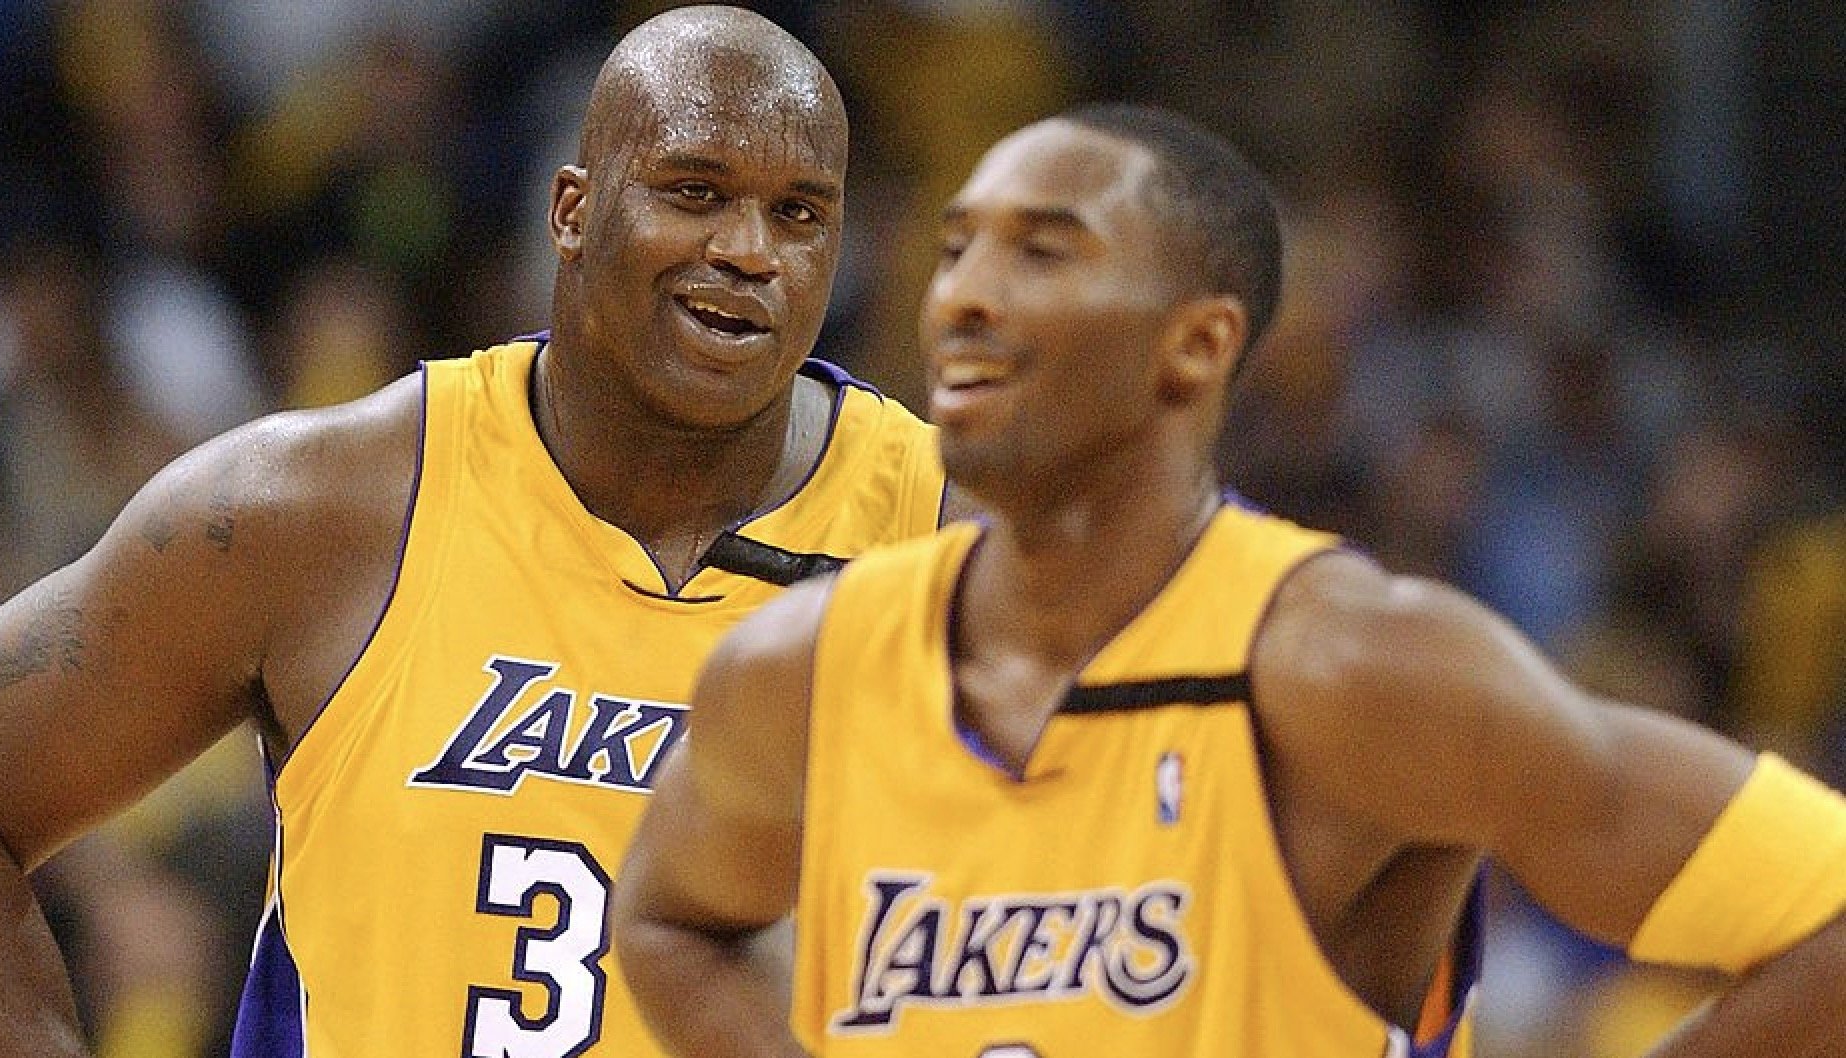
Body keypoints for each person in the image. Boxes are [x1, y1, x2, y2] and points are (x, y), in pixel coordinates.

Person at [0, 7, 957, 1058]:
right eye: (695, 191)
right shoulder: (316, 509)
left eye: (799, 212)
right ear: (571, 210)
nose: (750, 249)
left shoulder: (956, 538)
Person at [612, 103, 1846, 1057]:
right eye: (956, 249)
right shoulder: (805, 668)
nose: (965, 298)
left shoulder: (1352, 668)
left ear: (1197, 344)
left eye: (1043, 253)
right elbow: (667, 920)